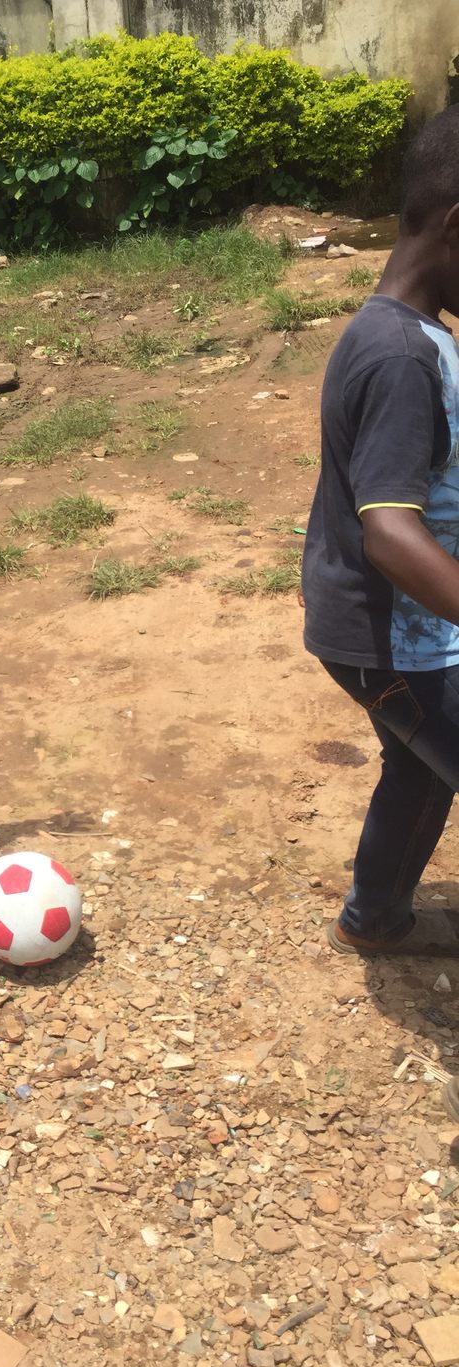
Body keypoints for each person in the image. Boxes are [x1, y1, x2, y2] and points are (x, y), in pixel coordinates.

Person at [302, 103, 459, 957]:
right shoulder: (402, 356)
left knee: (422, 765)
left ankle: (376, 918)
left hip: (397, 630)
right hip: (394, 639)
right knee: (426, 755)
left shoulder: (408, 334)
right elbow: (391, 532)